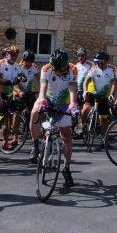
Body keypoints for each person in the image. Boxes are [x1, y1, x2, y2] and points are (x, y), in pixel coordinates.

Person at [30, 49, 77, 185]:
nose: (57, 72)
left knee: (66, 136)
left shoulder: (73, 70)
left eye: (60, 69)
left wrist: (73, 104)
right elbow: (43, 89)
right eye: (55, 69)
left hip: (64, 103)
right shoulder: (46, 68)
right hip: (48, 99)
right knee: (34, 112)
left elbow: (72, 89)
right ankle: (35, 145)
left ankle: (67, 168)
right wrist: (42, 100)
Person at [0, 45, 26, 150]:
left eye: (16, 55)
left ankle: (4, 141)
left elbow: (22, 76)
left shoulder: (16, 65)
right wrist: (10, 82)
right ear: (6, 54)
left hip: (8, 94)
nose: (14, 57)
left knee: (4, 118)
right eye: (12, 54)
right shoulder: (0, 64)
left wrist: (22, 78)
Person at [80, 51, 117, 138]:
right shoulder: (94, 69)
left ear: (104, 61)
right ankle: (83, 126)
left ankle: (104, 138)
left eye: (98, 61)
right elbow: (86, 81)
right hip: (92, 93)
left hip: (103, 95)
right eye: (96, 61)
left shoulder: (112, 69)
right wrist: (85, 91)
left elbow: (115, 83)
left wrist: (111, 94)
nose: (97, 63)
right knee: (86, 109)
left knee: (104, 119)